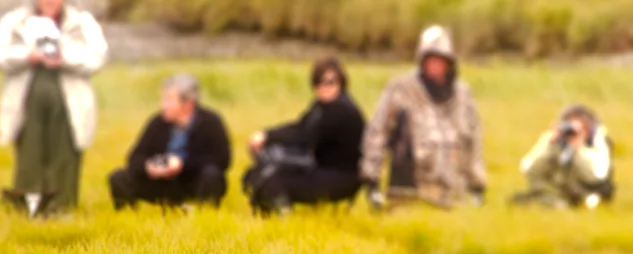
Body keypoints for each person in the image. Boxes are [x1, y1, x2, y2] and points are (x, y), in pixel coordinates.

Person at [0, 0, 109, 219]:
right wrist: (28, 56)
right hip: (27, 97)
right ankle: (29, 209)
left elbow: (97, 57)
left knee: (65, 153)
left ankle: (62, 209)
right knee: (30, 153)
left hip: (69, 98)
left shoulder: (82, 22)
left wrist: (64, 58)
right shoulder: (15, 21)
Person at [359, 26, 487, 210]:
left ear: (449, 63)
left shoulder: (463, 95)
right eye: (430, 59)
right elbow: (377, 132)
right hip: (409, 191)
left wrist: (477, 185)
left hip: (454, 194)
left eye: (440, 60)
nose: (434, 65)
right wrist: (371, 180)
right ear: (422, 61)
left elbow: (473, 142)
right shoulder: (401, 90)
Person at [242, 58, 367, 214]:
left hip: (342, 178)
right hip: (323, 169)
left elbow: (304, 137)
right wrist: (266, 135)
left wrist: (267, 137)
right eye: (319, 82)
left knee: (271, 180)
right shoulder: (321, 106)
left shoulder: (342, 111)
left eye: (331, 82)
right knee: (261, 172)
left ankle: (284, 222)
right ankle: (271, 220)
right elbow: (300, 126)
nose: (324, 87)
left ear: (341, 82)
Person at [108, 74, 233, 210]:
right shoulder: (157, 122)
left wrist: (182, 165)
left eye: (168, 100)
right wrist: (148, 167)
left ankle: (204, 210)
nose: (163, 105)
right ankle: (128, 213)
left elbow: (222, 159)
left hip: (192, 180)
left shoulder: (210, 122)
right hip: (160, 181)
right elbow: (135, 157)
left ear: (188, 103)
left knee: (212, 175)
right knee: (118, 177)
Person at [511, 105, 613, 209]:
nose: (571, 132)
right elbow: (528, 169)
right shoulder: (553, 142)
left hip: (583, 191)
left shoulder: (598, 142)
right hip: (554, 191)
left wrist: (575, 150)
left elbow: (596, 177)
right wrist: (551, 145)